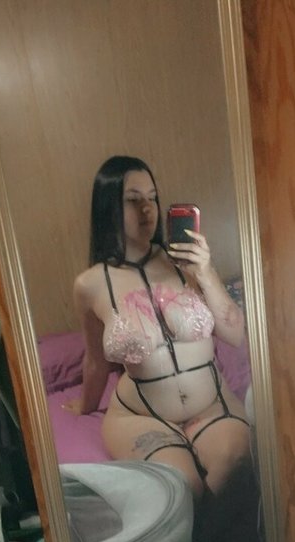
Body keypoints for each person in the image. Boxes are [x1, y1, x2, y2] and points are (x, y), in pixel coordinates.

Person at [68, 155, 250, 499]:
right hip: (140, 414)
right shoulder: (90, 285)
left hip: (210, 404)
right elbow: (94, 360)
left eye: (152, 198)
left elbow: (234, 333)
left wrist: (206, 271)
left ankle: (205, 532)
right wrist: (85, 405)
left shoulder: (185, 263)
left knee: (234, 459)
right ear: (108, 207)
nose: (147, 209)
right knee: (180, 486)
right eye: (133, 200)